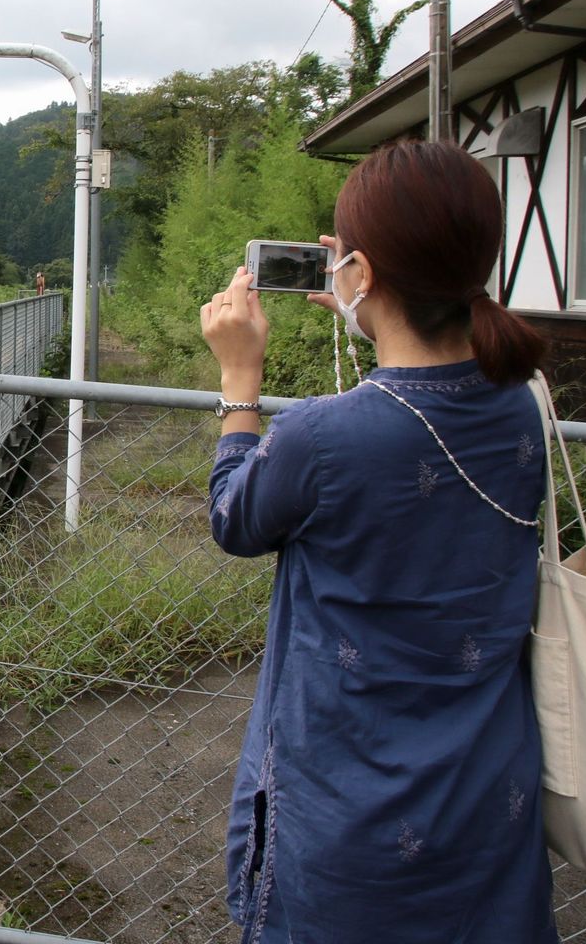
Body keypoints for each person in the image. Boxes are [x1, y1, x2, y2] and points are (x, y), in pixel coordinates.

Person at [199, 140, 556, 943]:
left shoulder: (322, 435)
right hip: (485, 789)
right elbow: (423, 390)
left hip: (348, 802)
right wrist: (370, 311)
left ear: (359, 270)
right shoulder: (520, 403)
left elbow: (235, 519)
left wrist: (238, 386)